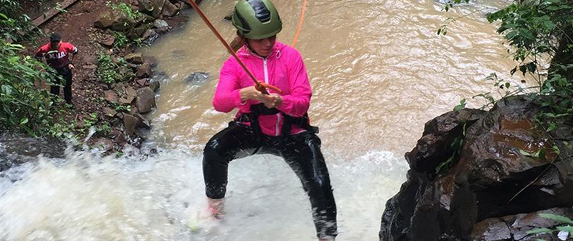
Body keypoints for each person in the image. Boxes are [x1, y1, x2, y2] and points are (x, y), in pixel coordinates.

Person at [202, 0, 337, 240]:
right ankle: (215, 213)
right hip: (252, 130)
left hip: (292, 132)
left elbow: (302, 102)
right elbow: (220, 103)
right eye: (261, 39)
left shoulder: (291, 57)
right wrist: (244, 94)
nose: (268, 43)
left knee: (319, 183)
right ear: (244, 37)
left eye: (272, 36)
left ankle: (327, 237)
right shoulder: (234, 63)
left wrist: (280, 102)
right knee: (214, 151)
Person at [35, 33, 78, 106]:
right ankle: (54, 103)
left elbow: (75, 51)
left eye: (57, 42)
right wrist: (45, 66)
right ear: (50, 42)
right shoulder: (45, 49)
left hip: (65, 68)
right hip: (53, 70)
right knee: (54, 87)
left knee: (67, 85)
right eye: (53, 42)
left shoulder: (66, 46)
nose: (55, 44)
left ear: (61, 41)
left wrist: (71, 63)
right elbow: (37, 56)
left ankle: (68, 101)